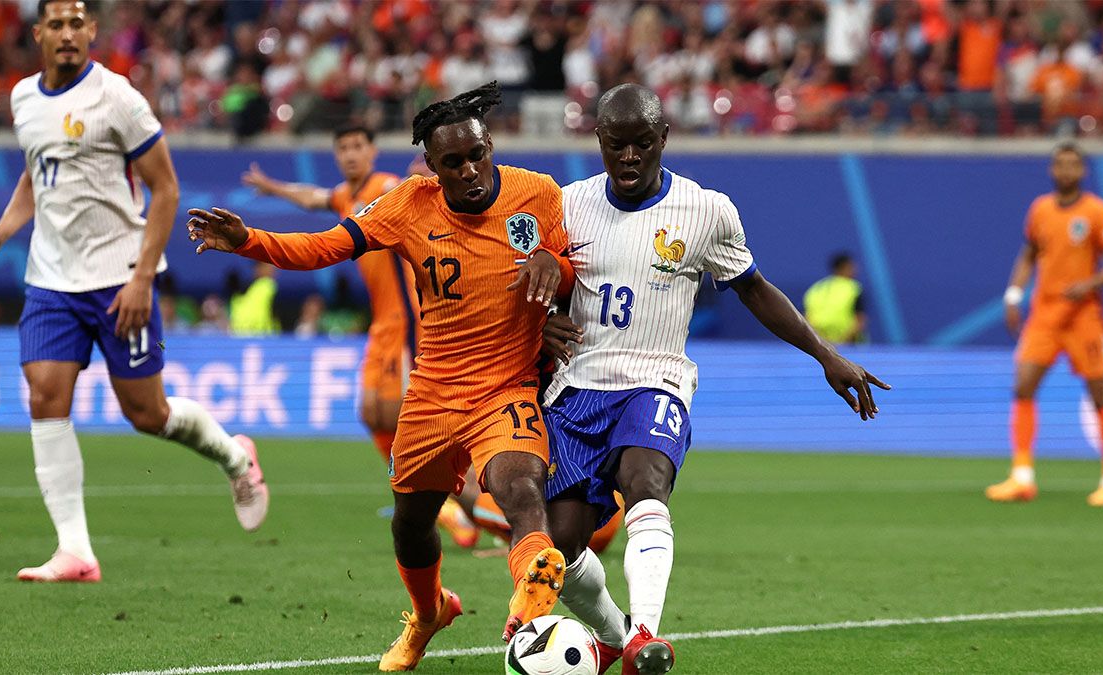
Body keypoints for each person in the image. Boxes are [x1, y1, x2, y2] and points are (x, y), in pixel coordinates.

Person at [187, 82, 575, 671]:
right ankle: (428, 613)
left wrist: (556, 264)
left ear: (490, 145)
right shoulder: (408, 204)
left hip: (506, 387)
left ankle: (532, 604)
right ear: (432, 168)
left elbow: (573, 271)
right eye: (453, 162)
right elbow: (327, 246)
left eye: (477, 154)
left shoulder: (538, 193)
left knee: (521, 488)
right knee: (410, 526)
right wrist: (250, 241)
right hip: (434, 391)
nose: (470, 170)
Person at [539, 83, 889, 674]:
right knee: (562, 543)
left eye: (642, 143)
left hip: (656, 379)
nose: (629, 157)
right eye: (616, 145)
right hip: (575, 390)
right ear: (598, 140)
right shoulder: (566, 206)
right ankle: (618, 636)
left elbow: (753, 288)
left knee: (646, 480)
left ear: (664, 138)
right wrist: (542, 318)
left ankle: (646, 634)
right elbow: (535, 283)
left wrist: (825, 354)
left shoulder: (706, 210)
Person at [0, 0, 267, 583]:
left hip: (119, 279)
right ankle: (76, 551)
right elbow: (38, 173)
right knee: (44, 396)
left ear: (90, 31)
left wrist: (141, 278)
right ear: (38, 33)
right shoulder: (24, 98)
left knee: (147, 413)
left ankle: (236, 457)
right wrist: (4, 230)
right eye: (55, 24)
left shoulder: (118, 98)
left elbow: (166, 189)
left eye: (75, 24)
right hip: (51, 280)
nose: (66, 34)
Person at [242, 132, 478, 547]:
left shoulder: (384, 188)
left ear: (372, 152)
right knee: (371, 412)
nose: (351, 155)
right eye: (344, 148)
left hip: (409, 321)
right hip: (382, 323)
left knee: (416, 420)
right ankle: (443, 503)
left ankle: (466, 503)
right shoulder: (345, 197)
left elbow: (408, 190)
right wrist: (273, 188)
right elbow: (312, 197)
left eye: (358, 147)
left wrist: (427, 177)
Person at [989, 142, 1103, 507]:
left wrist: (1090, 283)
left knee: (1098, 394)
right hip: (1045, 314)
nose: (1066, 171)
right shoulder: (1040, 209)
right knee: (1023, 386)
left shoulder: (1097, 212)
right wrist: (1013, 295)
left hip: (1084, 316)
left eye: (1072, 165)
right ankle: (1022, 477)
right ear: (1052, 169)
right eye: (1060, 164)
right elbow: (1029, 254)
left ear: (1082, 171)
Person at [803, 252, 867, 344]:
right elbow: (859, 320)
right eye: (852, 267)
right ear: (844, 267)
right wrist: (844, 343)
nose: (855, 270)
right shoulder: (853, 288)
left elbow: (806, 318)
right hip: (849, 345)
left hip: (818, 343)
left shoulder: (817, 288)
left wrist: (818, 342)